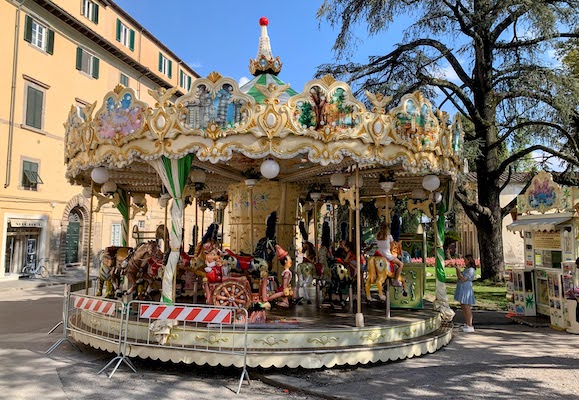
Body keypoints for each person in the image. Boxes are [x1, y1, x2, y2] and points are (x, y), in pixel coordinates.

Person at [375, 222, 404, 287]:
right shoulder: (389, 236)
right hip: (387, 254)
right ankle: (396, 280)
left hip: (379, 253)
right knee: (401, 264)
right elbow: (392, 246)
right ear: (387, 228)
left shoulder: (377, 236)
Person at [454, 254, 477, 332]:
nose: (464, 261)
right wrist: (457, 269)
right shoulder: (466, 269)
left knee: (467, 307)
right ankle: (467, 323)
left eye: (465, 260)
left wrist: (458, 269)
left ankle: (470, 325)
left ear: (469, 260)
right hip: (462, 288)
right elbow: (459, 276)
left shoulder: (471, 270)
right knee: (463, 306)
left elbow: (463, 279)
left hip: (466, 289)